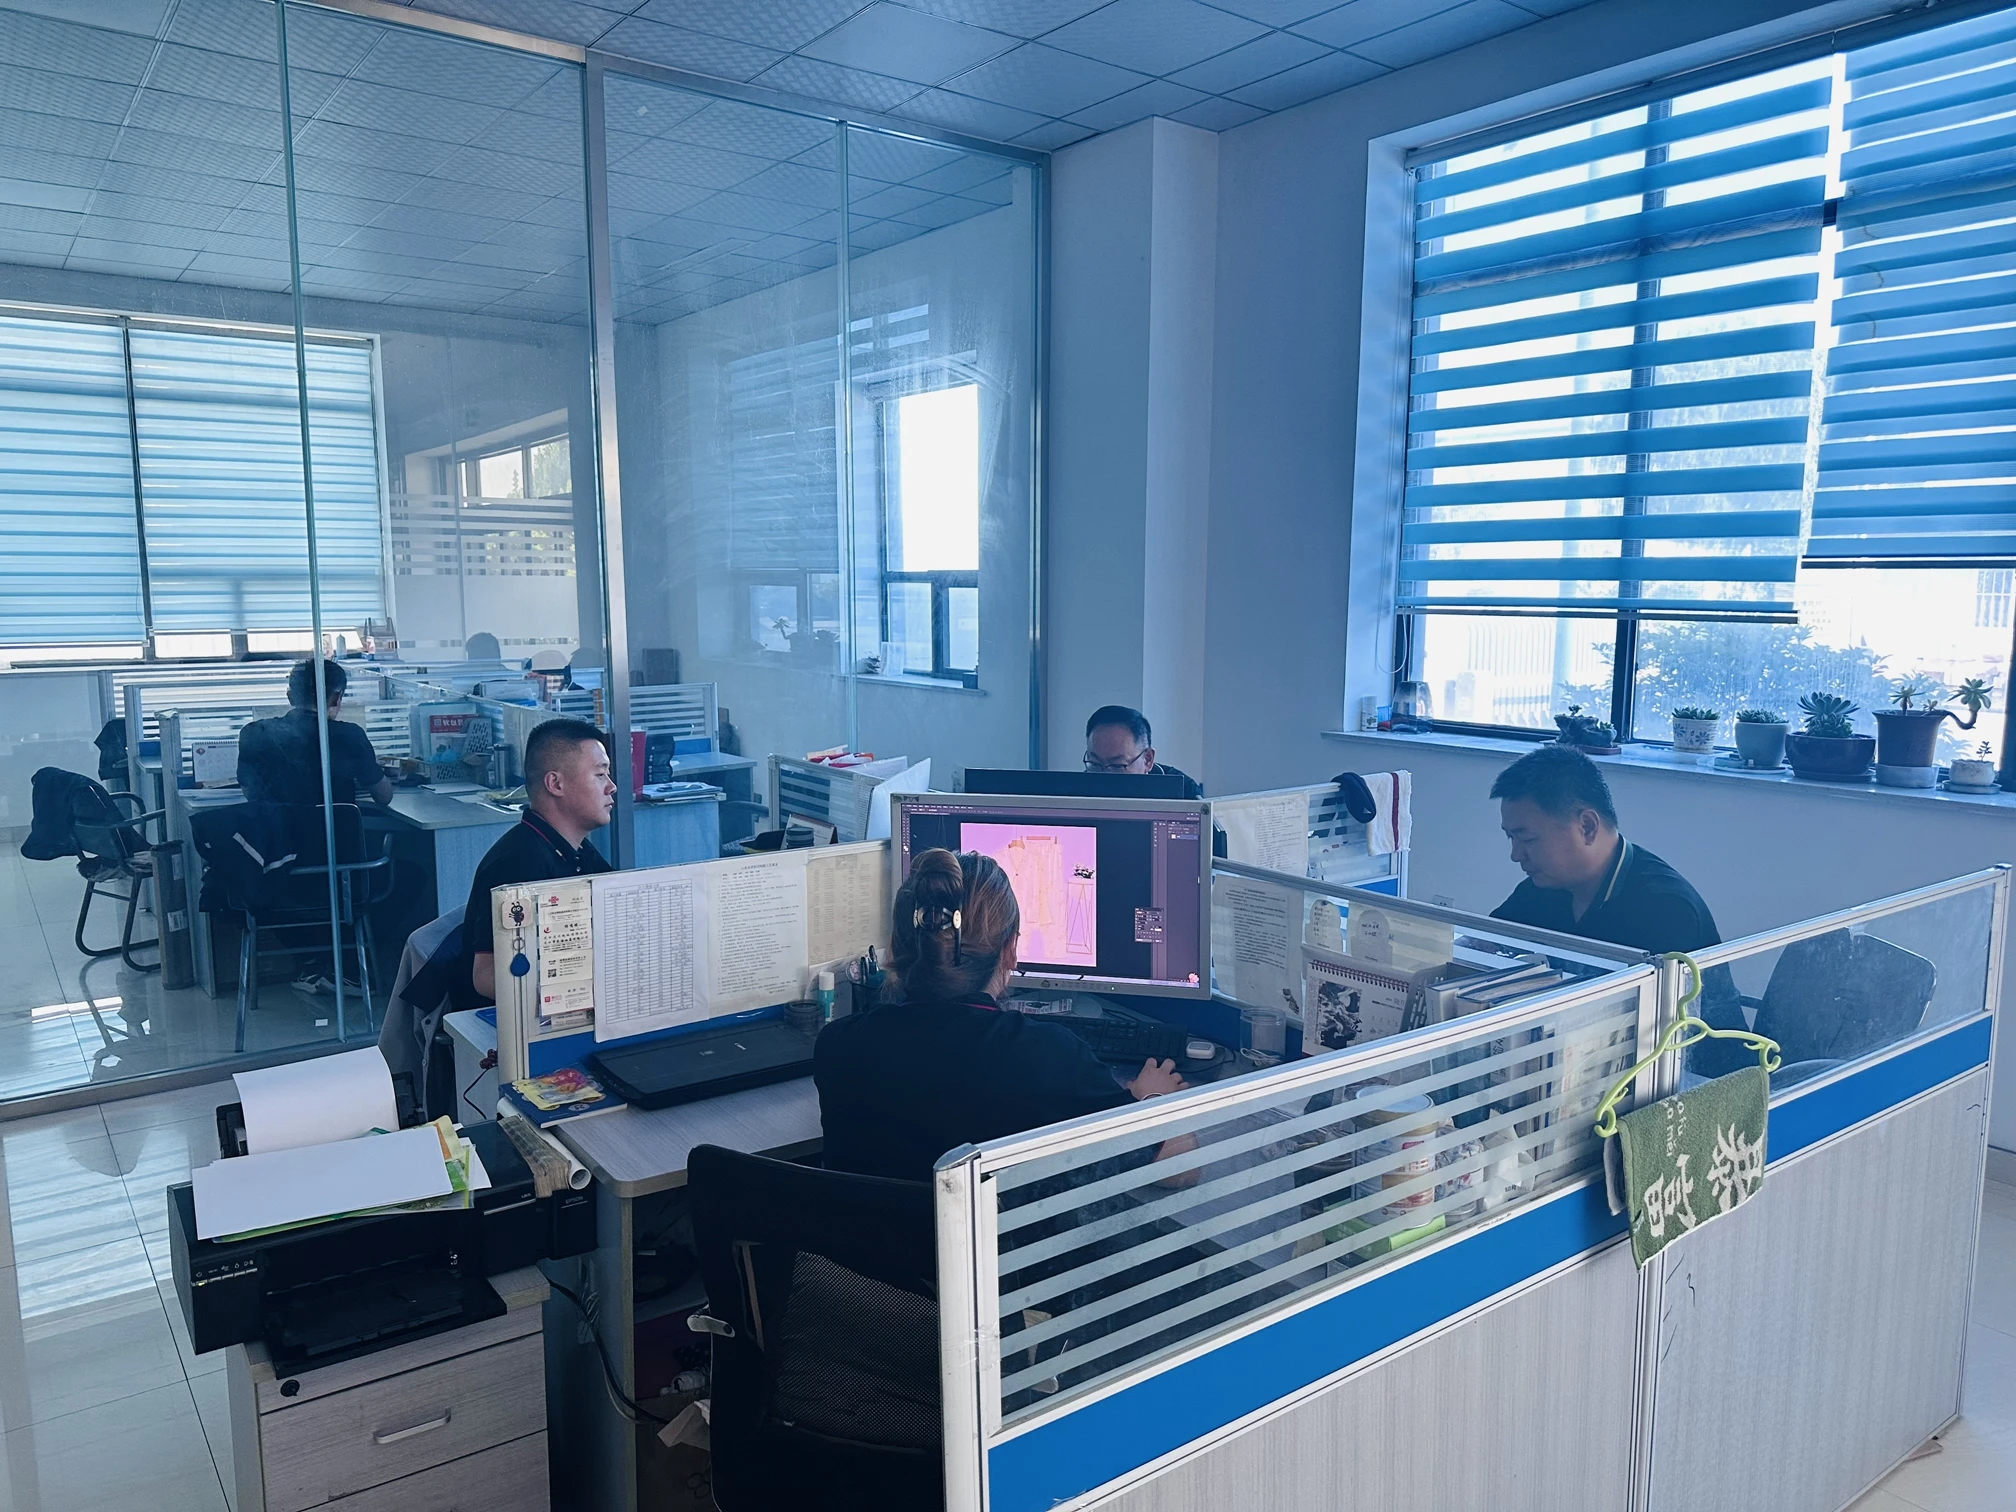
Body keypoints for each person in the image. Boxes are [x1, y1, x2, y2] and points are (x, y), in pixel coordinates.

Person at [815, 848, 1189, 1183]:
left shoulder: (838, 1045)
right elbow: (1181, 1170)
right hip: (993, 1243)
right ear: (1010, 951)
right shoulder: (1047, 1056)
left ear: (897, 948)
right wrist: (1151, 1098)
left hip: (867, 1243)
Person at [1488, 746, 1719, 954]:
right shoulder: (1539, 890)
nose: (1516, 855)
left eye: (1528, 839)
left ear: (1587, 827)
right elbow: (1483, 945)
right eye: (1510, 837)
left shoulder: (1668, 911)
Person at [455, 718, 615, 1009]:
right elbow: (486, 976)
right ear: (556, 784)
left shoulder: (576, 850)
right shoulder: (518, 861)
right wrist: (574, 993)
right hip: (512, 1020)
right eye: (600, 774)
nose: (611, 787)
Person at [237, 658, 393, 808]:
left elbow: (249, 793)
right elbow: (384, 796)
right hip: (332, 827)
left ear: (290, 697)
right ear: (336, 699)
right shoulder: (350, 736)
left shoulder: (254, 733)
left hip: (276, 827)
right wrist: (369, 767)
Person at [1083, 705, 1202, 797]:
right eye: (1094, 764)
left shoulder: (1184, 792)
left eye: (1117, 766)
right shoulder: (1078, 790)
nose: (1104, 777)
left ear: (1147, 759)